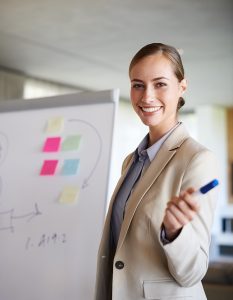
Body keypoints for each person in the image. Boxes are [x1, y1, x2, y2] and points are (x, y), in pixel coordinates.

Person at [95, 43, 218, 300]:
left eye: (160, 84)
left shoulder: (197, 159)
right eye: (137, 85)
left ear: (181, 87)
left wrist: (174, 233)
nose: (146, 96)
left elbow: (192, 273)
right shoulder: (131, 161)